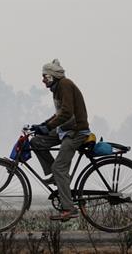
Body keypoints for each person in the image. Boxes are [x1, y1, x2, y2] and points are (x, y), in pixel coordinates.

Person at [29, 58, 90, 222]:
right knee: (36, 141)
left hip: (76, 131)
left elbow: (67, 113)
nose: (43, 80)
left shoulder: (64, 84)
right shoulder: (57, 88)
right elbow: (59, 114)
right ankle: (56, 176)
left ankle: (69, 208)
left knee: (60, 167)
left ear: (52, 76)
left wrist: (48, 127)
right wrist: (42, 125)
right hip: (65, 129)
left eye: (45, 76)